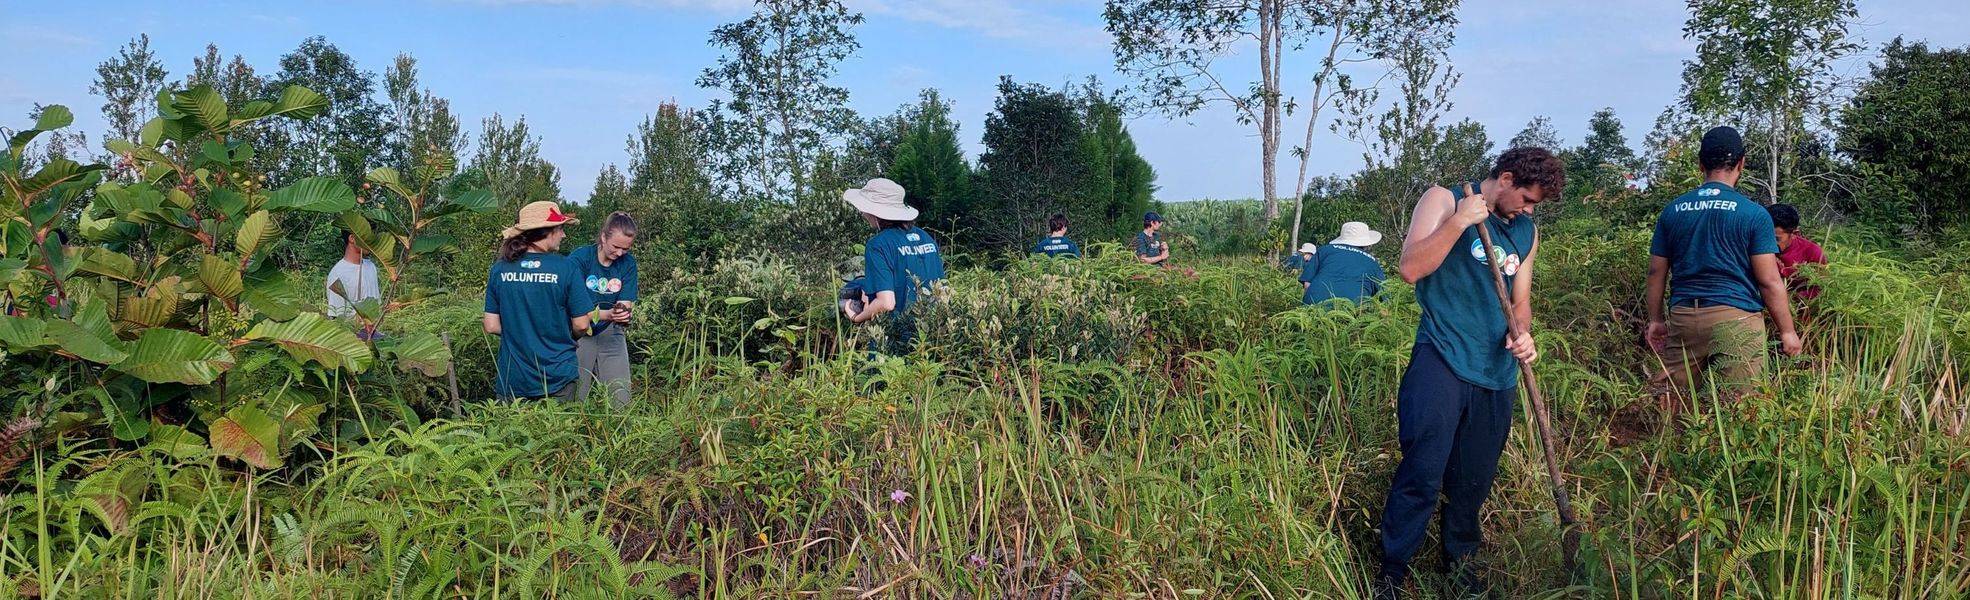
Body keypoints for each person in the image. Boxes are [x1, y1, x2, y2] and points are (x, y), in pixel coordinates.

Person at [1375, 147, 1567, 598]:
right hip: (1441, 358)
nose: (1528, 208)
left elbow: (1521, 301)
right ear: (1504, 178)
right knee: (1423, 470)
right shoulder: (1443, 200)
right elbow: (1410, 268)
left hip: (1496, 373)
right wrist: (1460, 221)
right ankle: (1393, 568)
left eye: (1535, 205)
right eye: (1526, 198)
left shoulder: (1526, 232)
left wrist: (1523, 333)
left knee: (1473, 479)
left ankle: (1460, 566)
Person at [1644, 126, 1802, 402]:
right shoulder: (1753, 214)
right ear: (1741, 162)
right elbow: (1768, 280)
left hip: (1684, 318)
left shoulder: (1673, 211)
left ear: (1700, 164)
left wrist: (1656, 320)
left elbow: (1656, 270)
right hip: (1737, 320)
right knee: (1742, 408)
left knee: (1672, 403)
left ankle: (1666, 444)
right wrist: (1787, 331)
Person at [482, 201, 591, 402]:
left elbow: (491, 325)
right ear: (547, 231)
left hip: (513, 379)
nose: (563, 235)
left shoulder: (499, 269)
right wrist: (564, 335)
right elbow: (582, 324)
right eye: (560, 229)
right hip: (558, 376)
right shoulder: (567, 268)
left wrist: (521, 332)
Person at [842, 178, 946, 354]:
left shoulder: (878, 244)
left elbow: (887, 303)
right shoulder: (926, 237)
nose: (862, 213)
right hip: (932, 337)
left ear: (875, 213)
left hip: (897, 338)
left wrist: (857, 317)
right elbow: (941, 289)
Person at [567, 212, 639, 409]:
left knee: (620, 394)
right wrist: (606, 314)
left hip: (611, 331)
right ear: (603, 237)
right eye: (616, 247)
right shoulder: (580, 259)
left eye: (626, 249)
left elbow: (626, 302)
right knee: (576, 394)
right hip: (580, 331)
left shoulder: (628, 263)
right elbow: (573, 306)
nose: (620, 254)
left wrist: (622, 313)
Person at [1300, 222, 1386, 305]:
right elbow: (1384, 296)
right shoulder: (1373, 262)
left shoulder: (1324, 250)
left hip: (1313, 306)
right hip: (1353, 310)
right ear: (1366, 244)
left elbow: (1307, 284)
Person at [325, 233, 382, 339]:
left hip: (372, 332)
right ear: (352, 238)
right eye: (366, 237)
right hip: (351, 336)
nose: (371, 242)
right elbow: (337, 318)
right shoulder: (338, 274)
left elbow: (376, 305)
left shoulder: (371, 266)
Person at [1768, 203, 1825, 301]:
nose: (1769, 242)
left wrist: (1789, 298)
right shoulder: (1757, 247)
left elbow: (1820, 288)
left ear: (1794, 233)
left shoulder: (1812, 252)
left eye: (1776, 239)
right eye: (1766, 236)